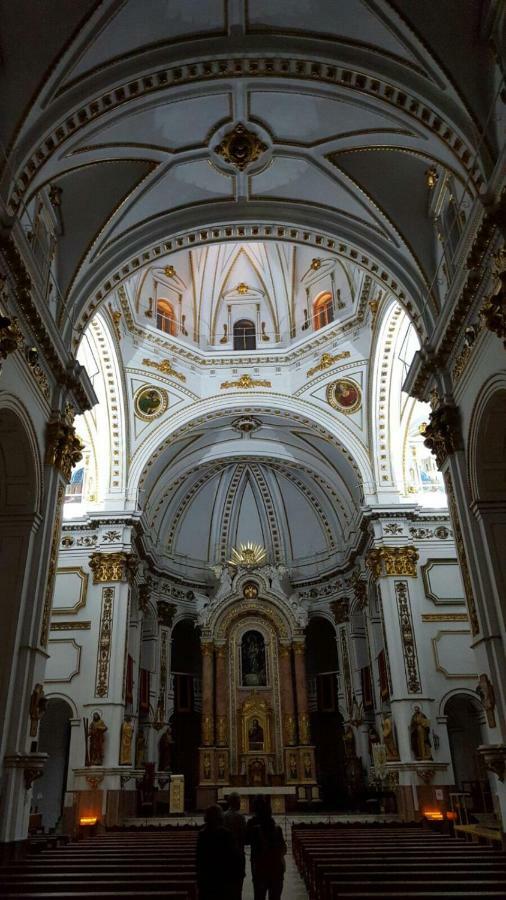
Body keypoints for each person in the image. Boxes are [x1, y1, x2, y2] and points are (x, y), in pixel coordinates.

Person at [196, 804, 243, 900]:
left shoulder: (202, 835)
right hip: (224, 880)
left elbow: (199, 858)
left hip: (208, 879)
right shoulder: (226, 834)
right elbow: (235, 857)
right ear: (220, 817)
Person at [246, 797, 287, 900]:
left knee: (259, 896)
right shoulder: (277, 829)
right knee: (275, 896)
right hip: (276, 868)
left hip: (260, 867)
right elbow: (284, 849)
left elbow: (246, 840)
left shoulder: (253, 826)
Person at [223, 793, 246, 900]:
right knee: (238, 887)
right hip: (237, 855)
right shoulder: (240, 817)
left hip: (225, 855)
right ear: (236, 803)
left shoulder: (222, 816)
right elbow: (244, 837)